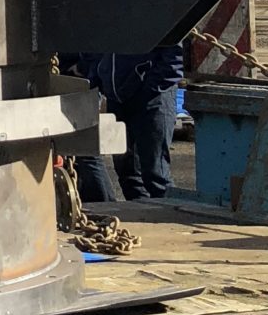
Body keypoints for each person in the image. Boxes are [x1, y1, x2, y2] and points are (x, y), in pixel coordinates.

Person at [65, 47, 185, 203]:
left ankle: (168, 218)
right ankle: (142, 215)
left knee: (156, 174)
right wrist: (96, 75)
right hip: (118, 98)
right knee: (128, 172)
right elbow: (98, 46)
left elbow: (173, 58)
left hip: (153, 100)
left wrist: (150, 88)